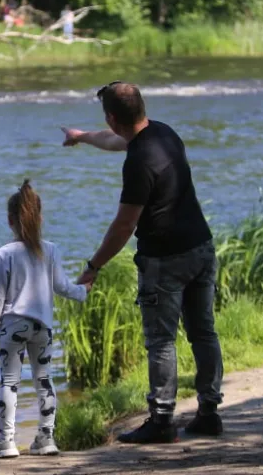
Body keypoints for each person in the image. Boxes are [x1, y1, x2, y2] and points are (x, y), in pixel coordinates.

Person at [61, 81, 223, 443]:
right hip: (201, 246)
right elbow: (113, 139)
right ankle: (209, 413)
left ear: (113, 116)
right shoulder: (162, 133)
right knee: (203, 332)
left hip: (165, 259)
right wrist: (81, 136)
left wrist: (94, 266)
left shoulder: (138, 162)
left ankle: (162, 421)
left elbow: (124, 225)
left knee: (161, 341)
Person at [0, 180, 90, 458]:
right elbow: (62, 286)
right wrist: (83, 292)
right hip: (43, 327)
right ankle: (46, 438)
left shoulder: (3, 254)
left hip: (13, 326)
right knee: (44, 379)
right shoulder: (50, 250)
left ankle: (6, 441)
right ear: (40, 218)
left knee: (9, 381)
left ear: (9, 221)